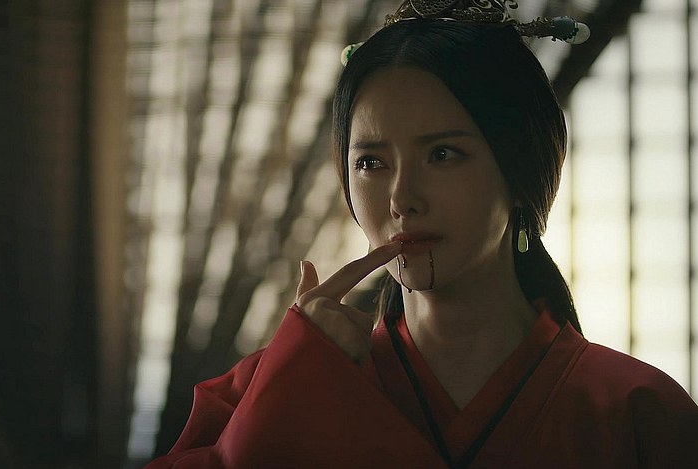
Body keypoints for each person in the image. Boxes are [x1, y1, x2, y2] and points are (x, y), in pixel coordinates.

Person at [146, 1, 698, 467]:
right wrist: (295, 391)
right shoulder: (274, 386)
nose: (401, 197)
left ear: (521, 172)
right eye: (370, 163)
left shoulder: (638, 411)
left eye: (443, 154)